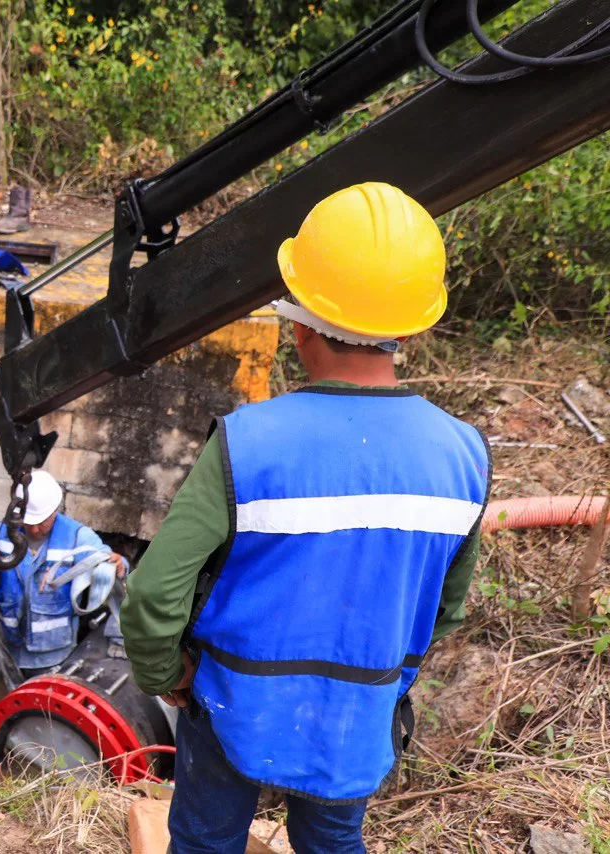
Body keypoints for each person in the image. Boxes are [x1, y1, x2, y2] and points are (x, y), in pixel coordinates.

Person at [120, 182, 490, 854]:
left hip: (233, 701)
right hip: (357, 713)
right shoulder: (464, 455)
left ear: (299, 322)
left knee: (205, 842)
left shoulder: (246, 442)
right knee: (332, 842)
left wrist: (168, 677)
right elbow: (446, 609)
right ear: (409, 328)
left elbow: (153, 594)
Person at [0, 470, 129, 677]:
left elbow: (111, 566)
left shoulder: (77, 536)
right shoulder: (4, 532)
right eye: (29, 523)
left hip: (53, 655)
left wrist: (119, 565)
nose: (35, 529)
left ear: (55, 510)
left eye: (42, 522)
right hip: (7, 644)